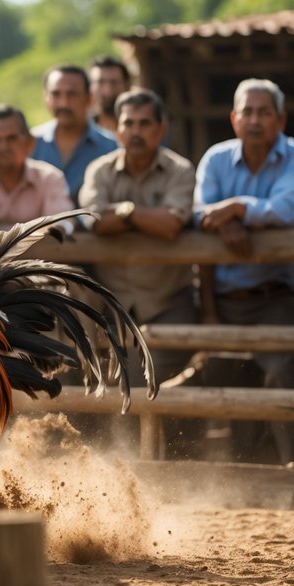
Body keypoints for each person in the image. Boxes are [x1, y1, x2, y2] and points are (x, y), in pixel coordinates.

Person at [195, 78, 294, 468]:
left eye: (264, 112)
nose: (255, 120)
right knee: (227, 380)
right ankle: (243, 476)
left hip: (276, 295)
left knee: (283, 372)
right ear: (233, 119)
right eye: (247, 111)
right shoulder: (215, 159)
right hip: (224, 296)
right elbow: (200, 214)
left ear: (281, 119)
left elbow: (286, 209)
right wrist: (228, 218)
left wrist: (235, 209)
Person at [79, 88, 198, 456]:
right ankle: (118, 463)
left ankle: (157, 465)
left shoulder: (179, 169)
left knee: (141, 372)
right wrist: (144, 217)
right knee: (91, 370)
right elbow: (95, 221)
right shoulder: (100, 169)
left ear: (161, 129)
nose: (136, 131)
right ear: (116, 129)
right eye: (128, 122)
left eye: (145, 123)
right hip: (112, 303)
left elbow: (171, 226)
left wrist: (126, 213)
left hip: (168, 300)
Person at [0, 104, 71, 243]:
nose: (3, 147)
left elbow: (61, 224)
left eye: (11, 138)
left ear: (30, 142)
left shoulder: (50, 178)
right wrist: (31, 235)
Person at [31, 64, 118, 205]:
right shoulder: (29, 143)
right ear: (46, 98)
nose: (64, 103)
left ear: (89, 99)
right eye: (56, 94)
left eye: (72, 95)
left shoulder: (111, 147)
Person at [88, 55, 131, 134]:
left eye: (114, 82)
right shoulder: (79, 131)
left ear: (127, 87)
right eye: (100, 82)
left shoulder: (141, 131)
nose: (108, 91)